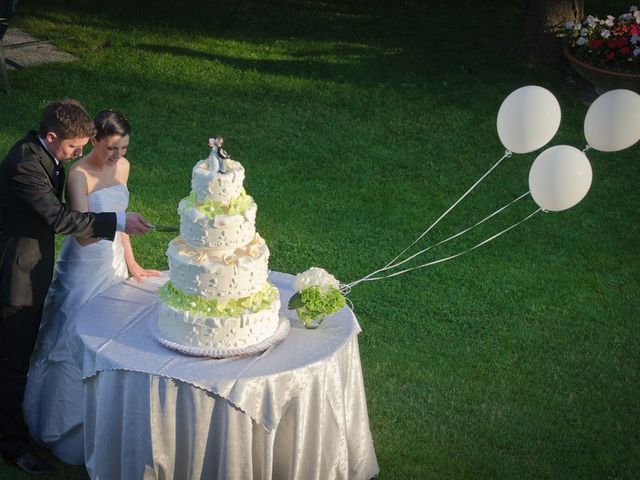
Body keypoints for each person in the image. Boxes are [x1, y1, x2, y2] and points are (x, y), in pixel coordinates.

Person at [0, 99, 152, 475]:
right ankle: (14, 445)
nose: (76, 154)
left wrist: (128, 257)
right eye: (72, 147)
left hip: (41, 266)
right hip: (14, 276)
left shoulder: (46, 155)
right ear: (52, 137)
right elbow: (57, 217)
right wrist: (117, 220)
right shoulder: (24, 164)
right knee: (12, 360)